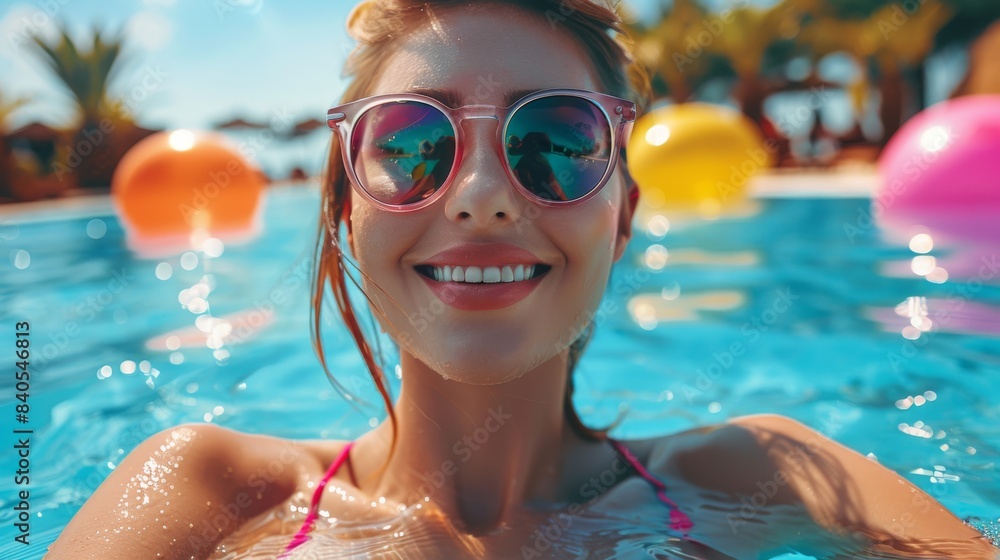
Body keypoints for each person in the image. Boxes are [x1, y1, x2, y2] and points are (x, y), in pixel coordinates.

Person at [47, 1, 999, 558]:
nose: (481, 197)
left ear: (620, 215)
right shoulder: (209, 493)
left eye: (556, 141)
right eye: (415, 144)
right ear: (347, 213)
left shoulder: (753, 476)